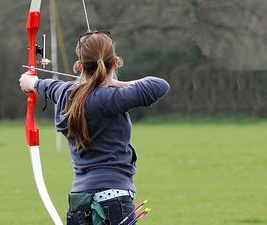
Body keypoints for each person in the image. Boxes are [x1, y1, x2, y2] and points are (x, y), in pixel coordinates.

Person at [19, 31, 170, 225]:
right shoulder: (110, 98)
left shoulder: (64, 93)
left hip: (79, 202)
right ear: (115, 63)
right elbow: (159, 85)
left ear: (79, 66)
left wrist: (32, 82)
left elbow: (43, 85)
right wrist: (116, 83)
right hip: (114, 200)